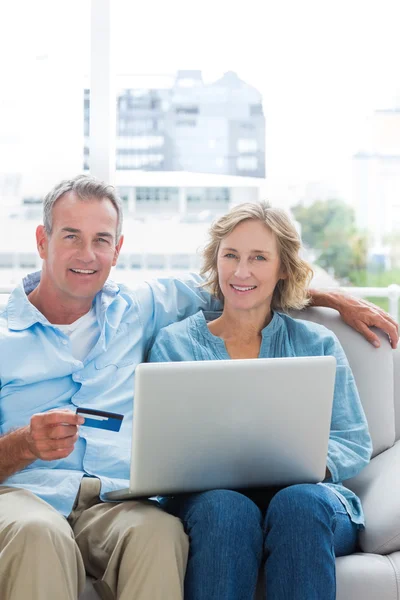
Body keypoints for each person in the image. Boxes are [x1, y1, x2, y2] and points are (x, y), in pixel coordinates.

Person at [0, 176, 396, 600]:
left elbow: (247, 287)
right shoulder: (10, 338)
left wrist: (333, 299)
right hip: (30, 493)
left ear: (117, 249)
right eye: (71, 236)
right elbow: (237, 284)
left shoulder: (139, 308)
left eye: (100, 239)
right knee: (42, 534)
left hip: (114, 500)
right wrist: (25, 443)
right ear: (42, 240)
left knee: (160, 534)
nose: (86, 254)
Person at [148, 201, 375, 600]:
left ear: (282, 267)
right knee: (225, 509)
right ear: (215, 260)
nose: (241, 272)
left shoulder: (316, 344)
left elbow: (353, 440)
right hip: (212, 505)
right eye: (230, 255)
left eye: (258, 258)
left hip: (308, 503)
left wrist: (303, 465)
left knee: (298, 503)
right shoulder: (175, 344)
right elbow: (160, 449)